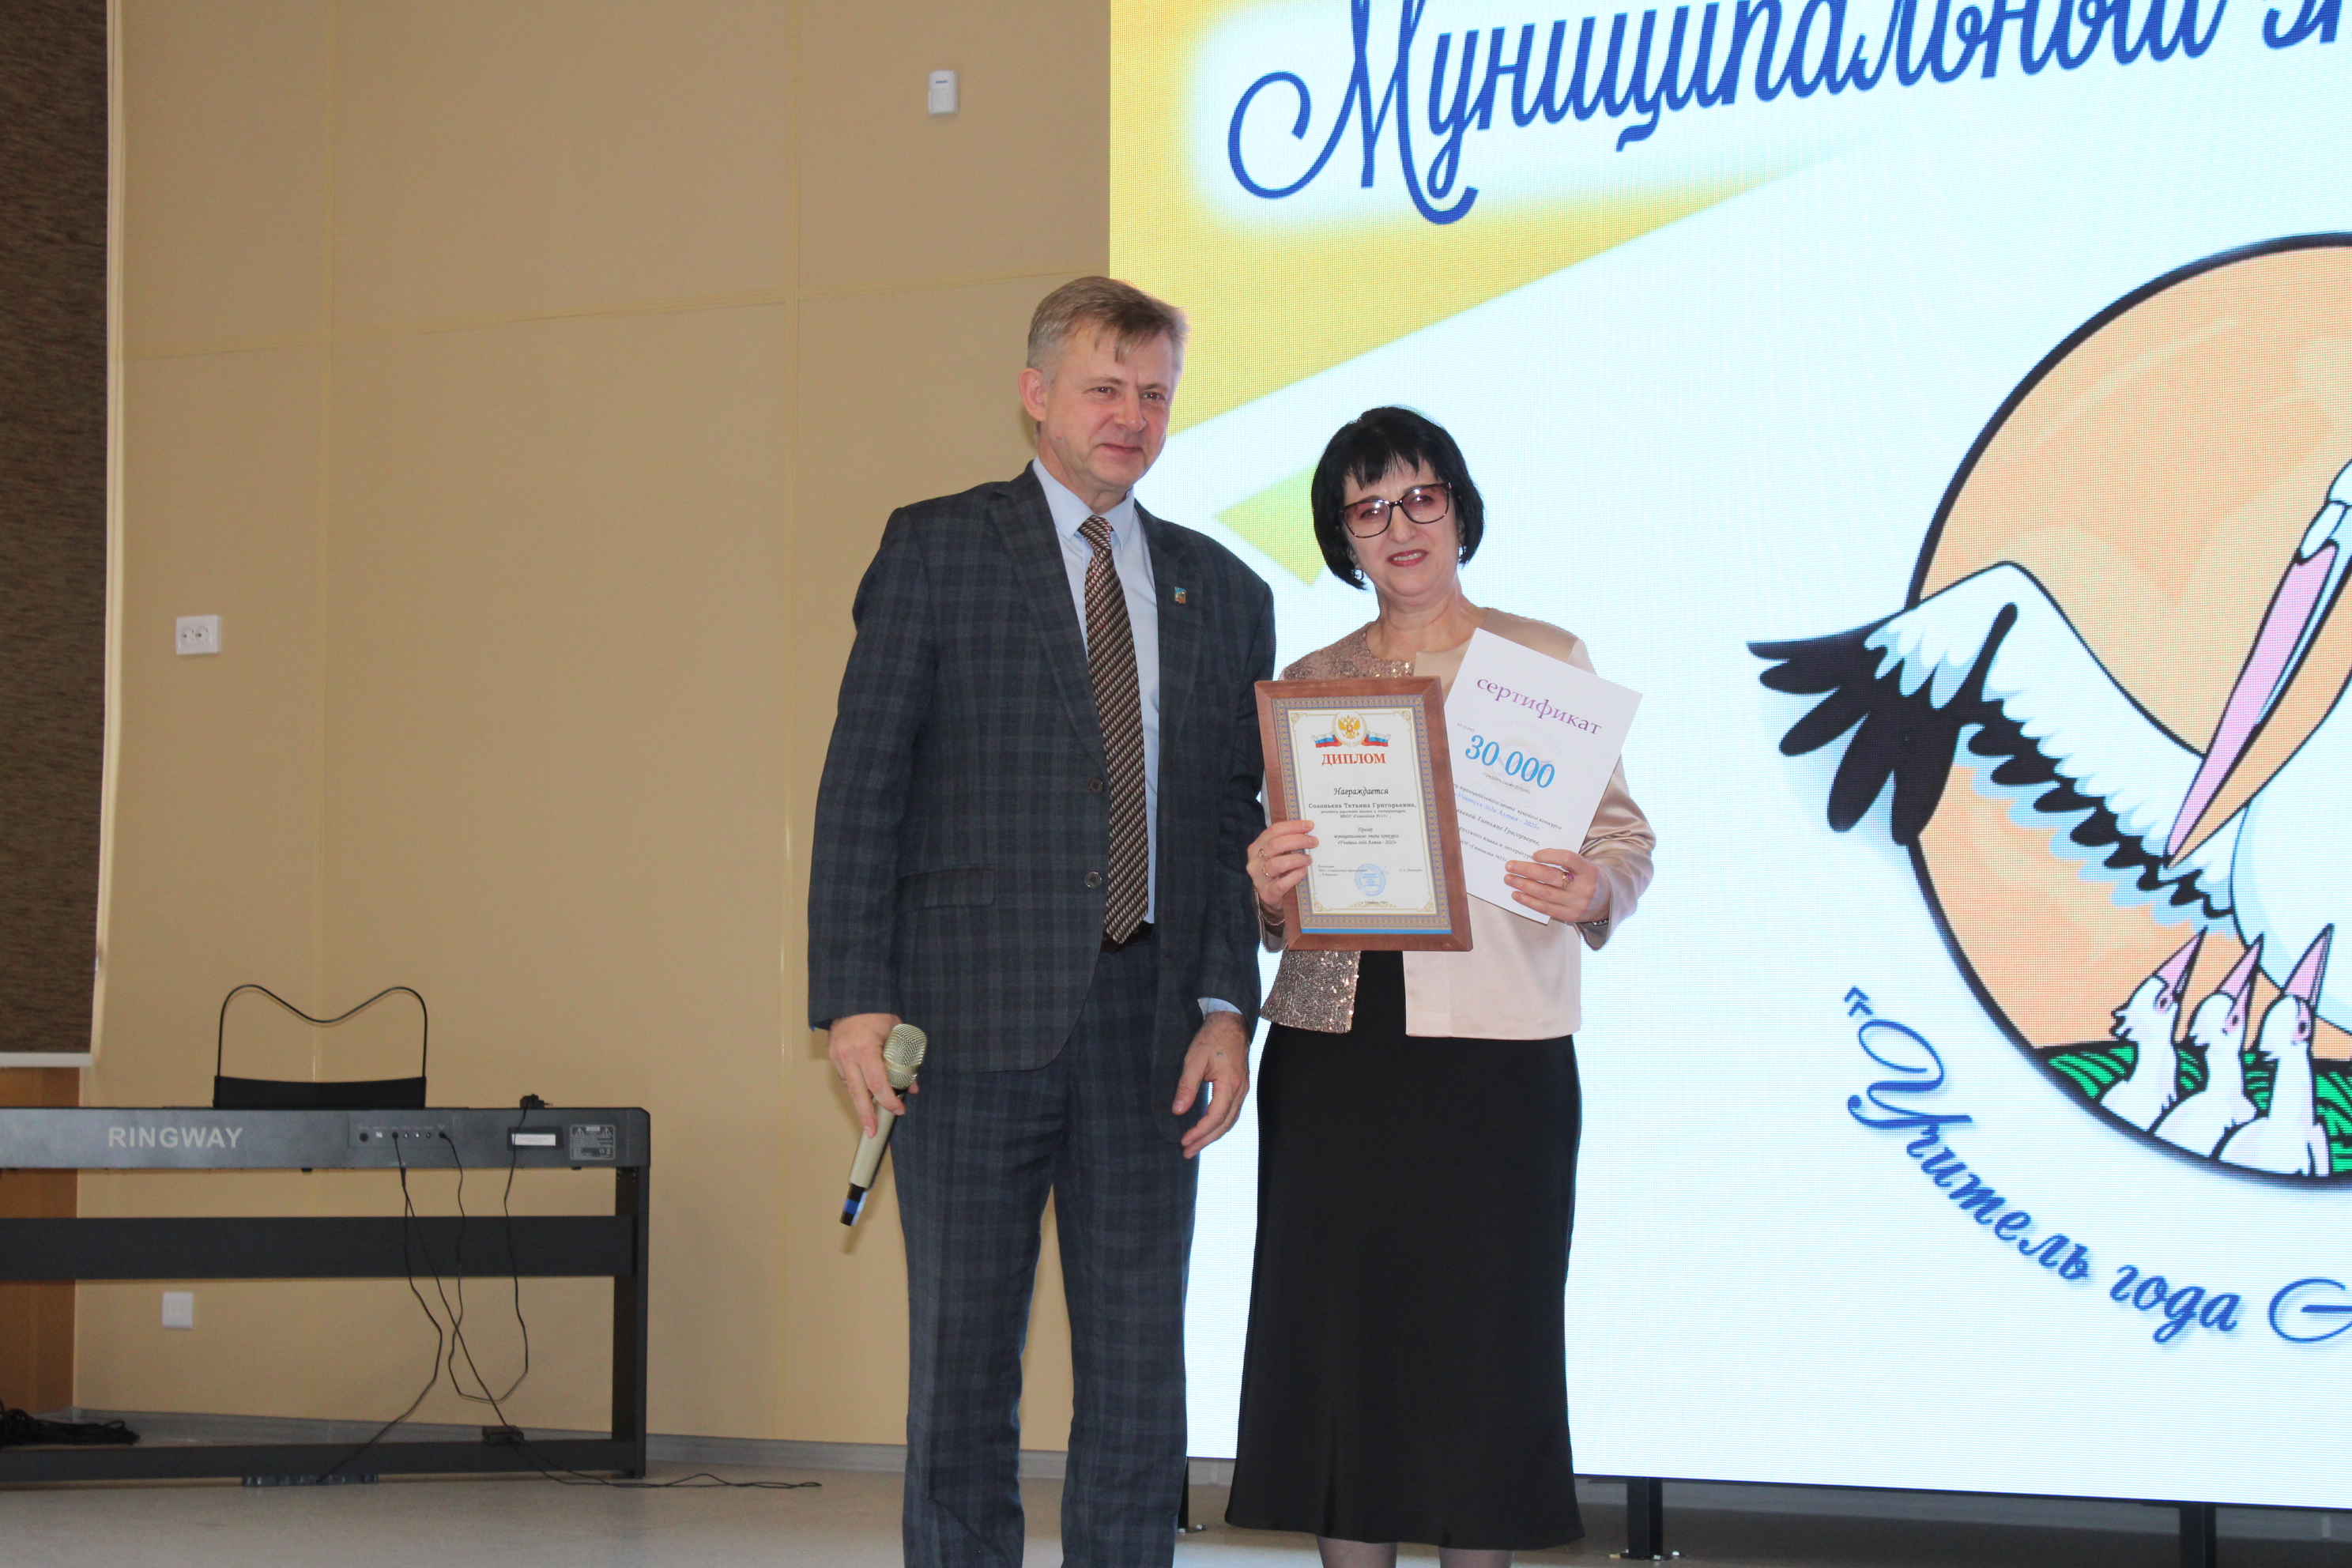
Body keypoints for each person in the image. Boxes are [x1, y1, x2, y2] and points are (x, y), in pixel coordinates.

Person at [808, 277, 1275, 1568]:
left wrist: (1227, 1008)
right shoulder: (938, 548)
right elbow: (864, 784)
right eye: (1104, 388)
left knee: (1139, 1375)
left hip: (1153, 1034)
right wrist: (854, 999)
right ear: (1036, 395)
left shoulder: (1225, 589)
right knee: (963, 1367)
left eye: (1154, 394)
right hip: (967, 1028)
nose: (1131, 416)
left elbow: (1231, 818)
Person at [1225, 407, 1656, 1568]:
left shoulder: (1543, 664)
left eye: (1421, 496)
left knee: (1484, 1345)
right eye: (1368, 509)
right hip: (1339, 1049)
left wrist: (1595, 886)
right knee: (1343, 1344)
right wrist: (1266, 888)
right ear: (1342, 539)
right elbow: (1282, 897)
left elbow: (1623, 838)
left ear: (1459, 508)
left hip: (1500, 1049)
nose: (1400, 526)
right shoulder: (1311, 683)